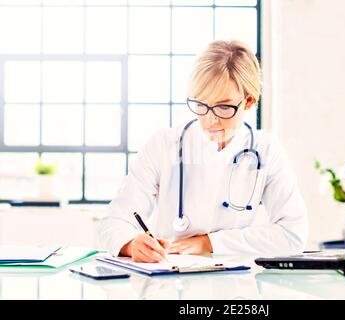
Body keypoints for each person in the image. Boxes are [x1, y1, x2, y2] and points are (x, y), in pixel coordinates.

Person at [98, 40, 308, 262]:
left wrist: (209, 243)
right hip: (171, 281)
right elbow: (112, 224)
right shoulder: (164, 145)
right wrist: (131, 244)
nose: (210, 119)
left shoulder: (266, 151)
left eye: (224, 107)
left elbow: (293, 234)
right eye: (201, 104)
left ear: (248, 102)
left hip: (235, 284)